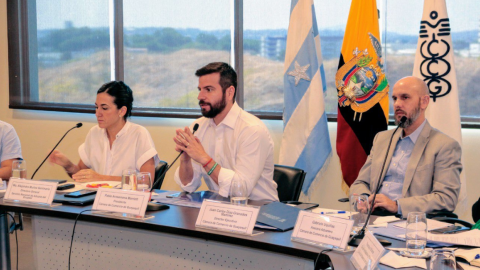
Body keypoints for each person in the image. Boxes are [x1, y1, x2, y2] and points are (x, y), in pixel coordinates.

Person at [350, 76, 462, 217]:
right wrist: (363, 199)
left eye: (405, 98)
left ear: (424, 102)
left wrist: (397, 206)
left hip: (408, 222)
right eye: (395, 98)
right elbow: (360, 182)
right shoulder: (382, 139)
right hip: (373, 218)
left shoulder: (444, 145)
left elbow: (446, 198)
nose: (397, 104)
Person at [173, 62, 279, 201]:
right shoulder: (199, 126)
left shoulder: (252, 130)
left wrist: (204, 159)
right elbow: (188, 186)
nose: (200, 96)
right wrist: (185, 159)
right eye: (200, 89)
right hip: (219, 210)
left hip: (260, 213)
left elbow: (241, 190)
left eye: (209, 90)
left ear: (229, 92)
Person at [49, 81, 159, 182]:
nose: (98, 113)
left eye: (104, 108)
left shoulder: (139, 134)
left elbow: (146, 181)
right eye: (96, 107)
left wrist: (102, 178)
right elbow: (81, 175)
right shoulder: (94, 133)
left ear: (122, 111)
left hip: (126, 201)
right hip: (97, 199)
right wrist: (68, 165)